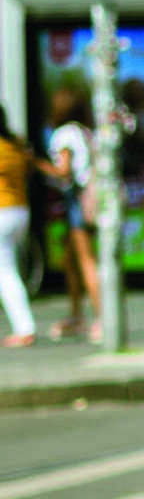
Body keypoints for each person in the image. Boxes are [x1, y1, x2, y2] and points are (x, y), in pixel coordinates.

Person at [45, 88, 101, 342]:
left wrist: (35, 164)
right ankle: (77, 315)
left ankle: (101, 318)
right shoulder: (85, 132)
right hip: (89, 198)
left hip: (76, 198)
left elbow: (63, 171)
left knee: (86, 260)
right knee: (72, 260)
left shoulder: (64, 134)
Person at [0, 108, 36, 348]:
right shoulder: (15, 144)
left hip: (2, 211)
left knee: (5, 272)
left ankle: (24, 328)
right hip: (20, 210)